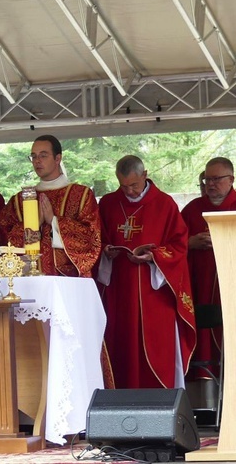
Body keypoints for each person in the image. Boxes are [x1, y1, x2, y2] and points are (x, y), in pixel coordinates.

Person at [97, 155, 195, 389]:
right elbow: (97, 239)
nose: (129, 191)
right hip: (119, 290)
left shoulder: (165, 204)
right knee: (120, 348)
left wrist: (154, 256)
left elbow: (179, 246)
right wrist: (106, 251)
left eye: (134, 185)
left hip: (154, 295)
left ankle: (159, 404)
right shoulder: (109, 203)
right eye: (123, 186)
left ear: (145, 175)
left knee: (155, 349)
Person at [0, 135, 101, 277]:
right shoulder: (19, 200)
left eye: (43, 156)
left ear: (58, 158)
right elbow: (4, 240)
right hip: (29, 281)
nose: (37, 161)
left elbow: (91, 240)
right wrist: (34, 225)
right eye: (33, 156)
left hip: (67, 280)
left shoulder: (81, 195)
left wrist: (54, 221)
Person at [181, 157, 236, 380]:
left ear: (231, 179)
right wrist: (190, 243)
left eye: (216, 179)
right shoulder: (192, 210)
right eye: (206, 179)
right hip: (200, 288)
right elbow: (173, 244)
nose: (210, 184)